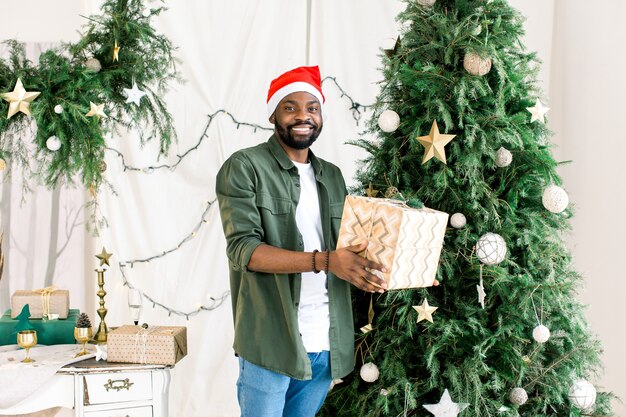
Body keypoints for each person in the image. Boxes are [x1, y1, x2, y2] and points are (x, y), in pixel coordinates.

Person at [215, 65, 388, 417]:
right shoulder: (245, 166)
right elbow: (243, 250)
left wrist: (385, 270)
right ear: (273, 116)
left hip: (327, 342)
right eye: (290, 107)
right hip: (271, 342)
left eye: (312, 107)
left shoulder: (332, 175)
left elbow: (350, 248)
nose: (303, 116)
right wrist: (324, 261)